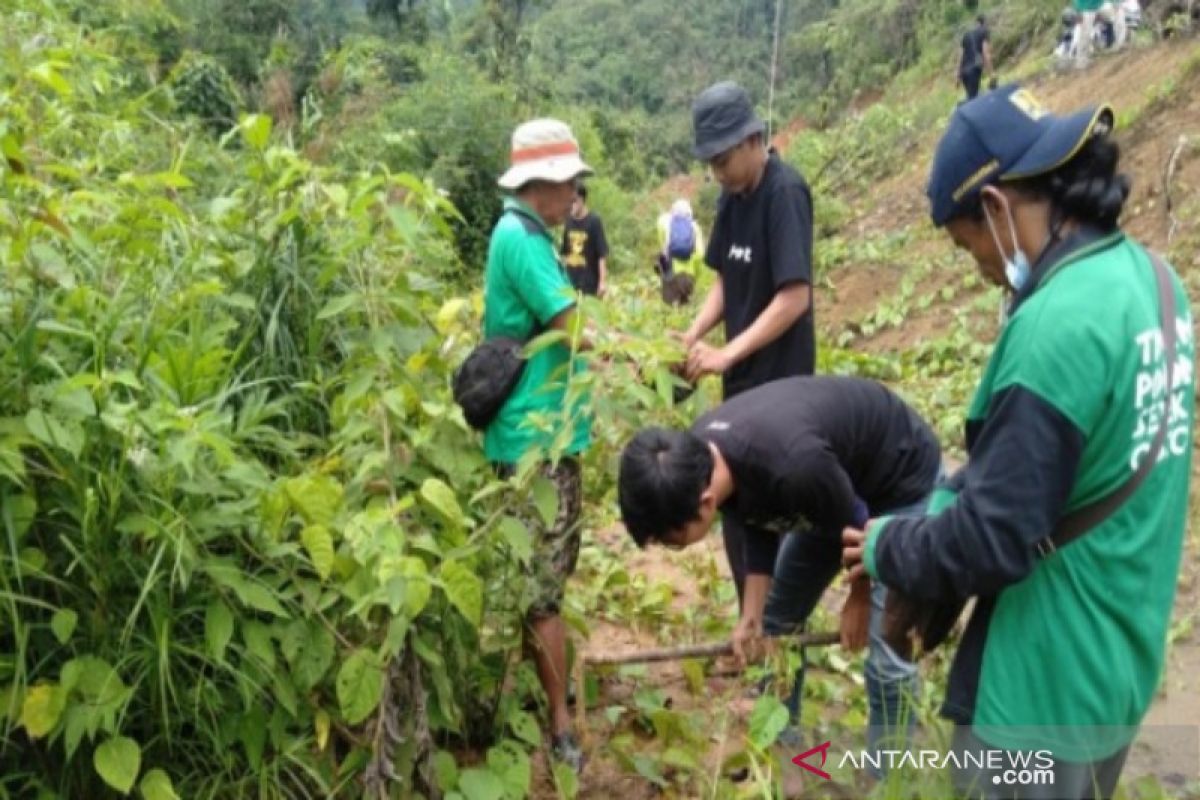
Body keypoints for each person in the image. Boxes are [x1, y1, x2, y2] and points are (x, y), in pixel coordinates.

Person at [842, 85, 1195, 798]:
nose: (974, 264)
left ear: (997, 208)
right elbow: (1061, 467)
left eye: (965, 241)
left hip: (1039, 695)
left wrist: (888, 545)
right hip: (1118, 665)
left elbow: (993, 539)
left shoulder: (1054, 325)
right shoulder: (1158, 286)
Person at [618, 375, 943, 764]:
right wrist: (751, 614)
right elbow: (753, 516)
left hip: (897, 485)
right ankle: (784, 752)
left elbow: (856, 520)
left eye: (672, 540)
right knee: (776, 628)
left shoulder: (794, 466)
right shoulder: (699, 458)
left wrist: (859, 597)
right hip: (833, 493)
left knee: (887, 653)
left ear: (705, 504)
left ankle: (892, 774)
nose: (673, 549)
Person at [486, 118, 595, 773]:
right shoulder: (523, 240)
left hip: (533, 438)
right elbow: (573, 325)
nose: (576, 191)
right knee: (543, 589)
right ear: (542, 184)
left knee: (526, 579)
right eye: (570, 180)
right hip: (537, 445)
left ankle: (516, 698)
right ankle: (559, 725)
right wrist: (641, 354)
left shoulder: (522, 233)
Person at [681, 80, 816, 605]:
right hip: (741, 382)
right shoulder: (731, 197)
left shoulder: (784, 192)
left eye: (722, 160)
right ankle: (752, 619)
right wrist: (694, 334)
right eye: (710, 163)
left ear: (752, 140)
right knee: (736, 503)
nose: (717, 173)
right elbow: (723, 281)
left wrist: (727, 353)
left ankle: (778, 625)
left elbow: (794, 297)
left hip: (780, 382)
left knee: (774, 503)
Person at [560, 183, 609, 297]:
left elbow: (602, 254)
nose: (571, 205)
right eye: (569, 201)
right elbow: (564, 253)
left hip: (589, 284)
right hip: (570, 283)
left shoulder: (594, 221)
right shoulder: (568, 221)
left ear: (582, 199)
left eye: (574, 201)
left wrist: (602, 282)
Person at [655, 198, 705, 305]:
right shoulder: (695, 227)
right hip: (689, 275)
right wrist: (696, 276)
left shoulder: (664, 223)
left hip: (670, 273)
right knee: (685, 307)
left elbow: (662, 245)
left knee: (670, 309)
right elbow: (700, 255)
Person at [959, 15, 995, 101]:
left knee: (971, 97)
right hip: (974, 70)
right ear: (984, 23)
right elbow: (986, 54)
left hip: (964, 72)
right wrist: (991, 74)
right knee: (973, 101)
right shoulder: (984, 32)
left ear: (977, 23)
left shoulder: (967, 35)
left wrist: (958, 75)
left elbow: (960, 56)